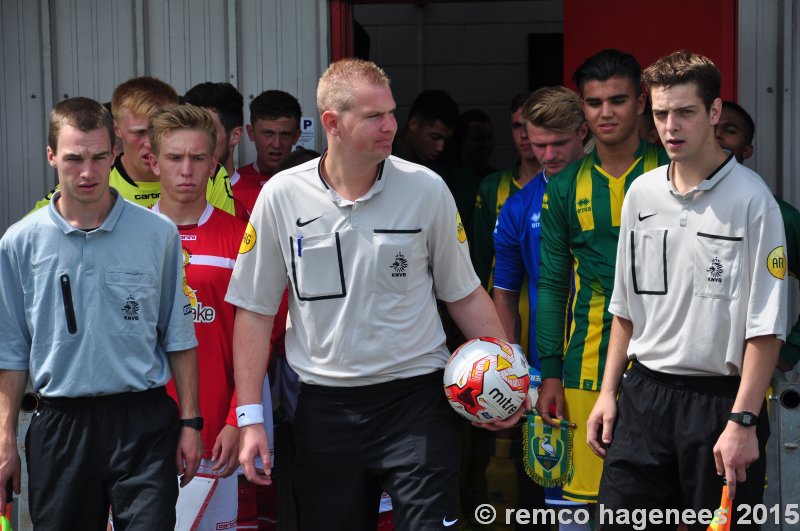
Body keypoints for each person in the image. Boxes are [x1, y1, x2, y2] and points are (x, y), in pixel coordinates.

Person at [226, 58, 520, 530]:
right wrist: (250, 418)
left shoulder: (427, 189)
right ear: (332, 123)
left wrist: (508, 375)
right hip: (323, 408)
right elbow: (255, 313)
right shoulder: (281, 196)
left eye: (391, 112)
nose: (391, 126)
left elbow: (463, 294)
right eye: (374, 116)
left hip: (416, 402)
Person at [587, 50, 787, 528]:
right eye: (660, 113)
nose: (670, 126)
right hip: (644, 396)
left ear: (714, 113)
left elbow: (767, 328)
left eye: (685, 112)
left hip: (721, 404)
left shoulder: (754, 202)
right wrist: (607, 392)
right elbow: (625, 309)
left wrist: (742, 421)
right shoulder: (641, 194)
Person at [0, 97, 202, 529]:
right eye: (73, 159)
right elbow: (12, 351)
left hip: (144, 423)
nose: (87, 172)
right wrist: (4, 442)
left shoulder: (158, 234)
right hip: (60, 425)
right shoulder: (19, 243)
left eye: (97, 157)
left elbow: (179, 335)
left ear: (115, 152)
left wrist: (191, 423)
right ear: (51, 155)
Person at [534, 49, 669, 521]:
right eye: (594, 103)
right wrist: (550, 371)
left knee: (662, 506)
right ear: (583, 110)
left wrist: (787, 346)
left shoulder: (677, 170)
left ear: (641, 102)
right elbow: (550, 284)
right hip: (585, 368)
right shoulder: (565, 185)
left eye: (617, 100)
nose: (606, 112)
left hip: (670, 366)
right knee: (582, 510)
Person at [491, 86, 589, 530]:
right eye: (537, 143)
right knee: (562, 501)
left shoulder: (629, 190)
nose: (547, 155)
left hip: (623, 363)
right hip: (550, 372)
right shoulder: (518, 207)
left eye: (559, 143)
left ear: (583, 134)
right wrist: (514, 371)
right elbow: (504, 294)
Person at [148, 103, 246, 530]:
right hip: (140, 436)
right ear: (153, 162)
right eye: (174, 157)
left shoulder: (241, 236)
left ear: (214, 163)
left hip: (216, 435)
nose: (186, 169)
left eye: (197, 157)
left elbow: (261, 341)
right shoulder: (123, 237)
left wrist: (236, 418)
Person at [716, 100, 800, 373]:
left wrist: (792, 348)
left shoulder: (778, 215)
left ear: (747, 149)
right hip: (671, 376)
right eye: (711, 127)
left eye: (729, 130)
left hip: (744, 379)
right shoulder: (669, 202)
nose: (717, 135)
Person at [473, 93, 542, 292]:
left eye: (531, 124)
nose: (524, 134)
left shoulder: (562, 185)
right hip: (503, 308)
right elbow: (481, 260)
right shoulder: (493, 186)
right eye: (517, 126)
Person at [183, 82, 248, 219]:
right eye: (187, 129)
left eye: (208, 131)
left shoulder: (261, 196)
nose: (194, 141)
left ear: (235, 136)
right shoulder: (165, 193)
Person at [235, 90, 303, 214]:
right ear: (251, 133)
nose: (276, 144)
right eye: (268, 133)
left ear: (296, 136)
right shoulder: (232, 184)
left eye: (285, 134)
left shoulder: (310, 183)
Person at [447, 109, 496, 247]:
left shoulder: (498, 181)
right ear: (462, 141)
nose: (485, 144)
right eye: (478, 139)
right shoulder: (447, 181)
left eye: (489, 138)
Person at [393, 89, 460, 175]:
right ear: (414, 124)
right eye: (434, 137)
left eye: (446, 140)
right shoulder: (381, 159)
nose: (440, 148)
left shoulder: (438, 173)